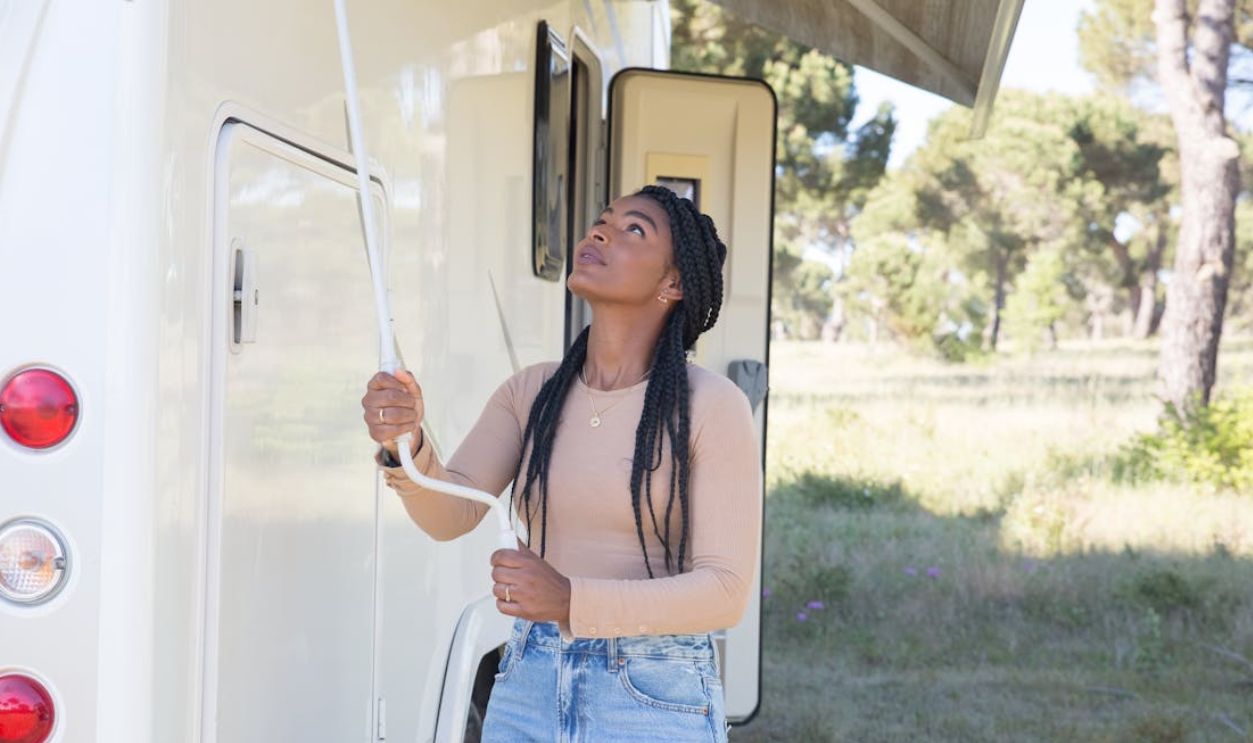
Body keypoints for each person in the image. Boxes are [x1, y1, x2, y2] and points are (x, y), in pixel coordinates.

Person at [361, 185, 762, 742]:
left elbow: (725, 591)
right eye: (603, 221)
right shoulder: (532, 392)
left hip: (653, 692)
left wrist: (573, 600)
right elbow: (450, 513)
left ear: (673, 283)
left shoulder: (713, 406)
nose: (599, 232)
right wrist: (404, 443)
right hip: (530, 678)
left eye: (633, 230)